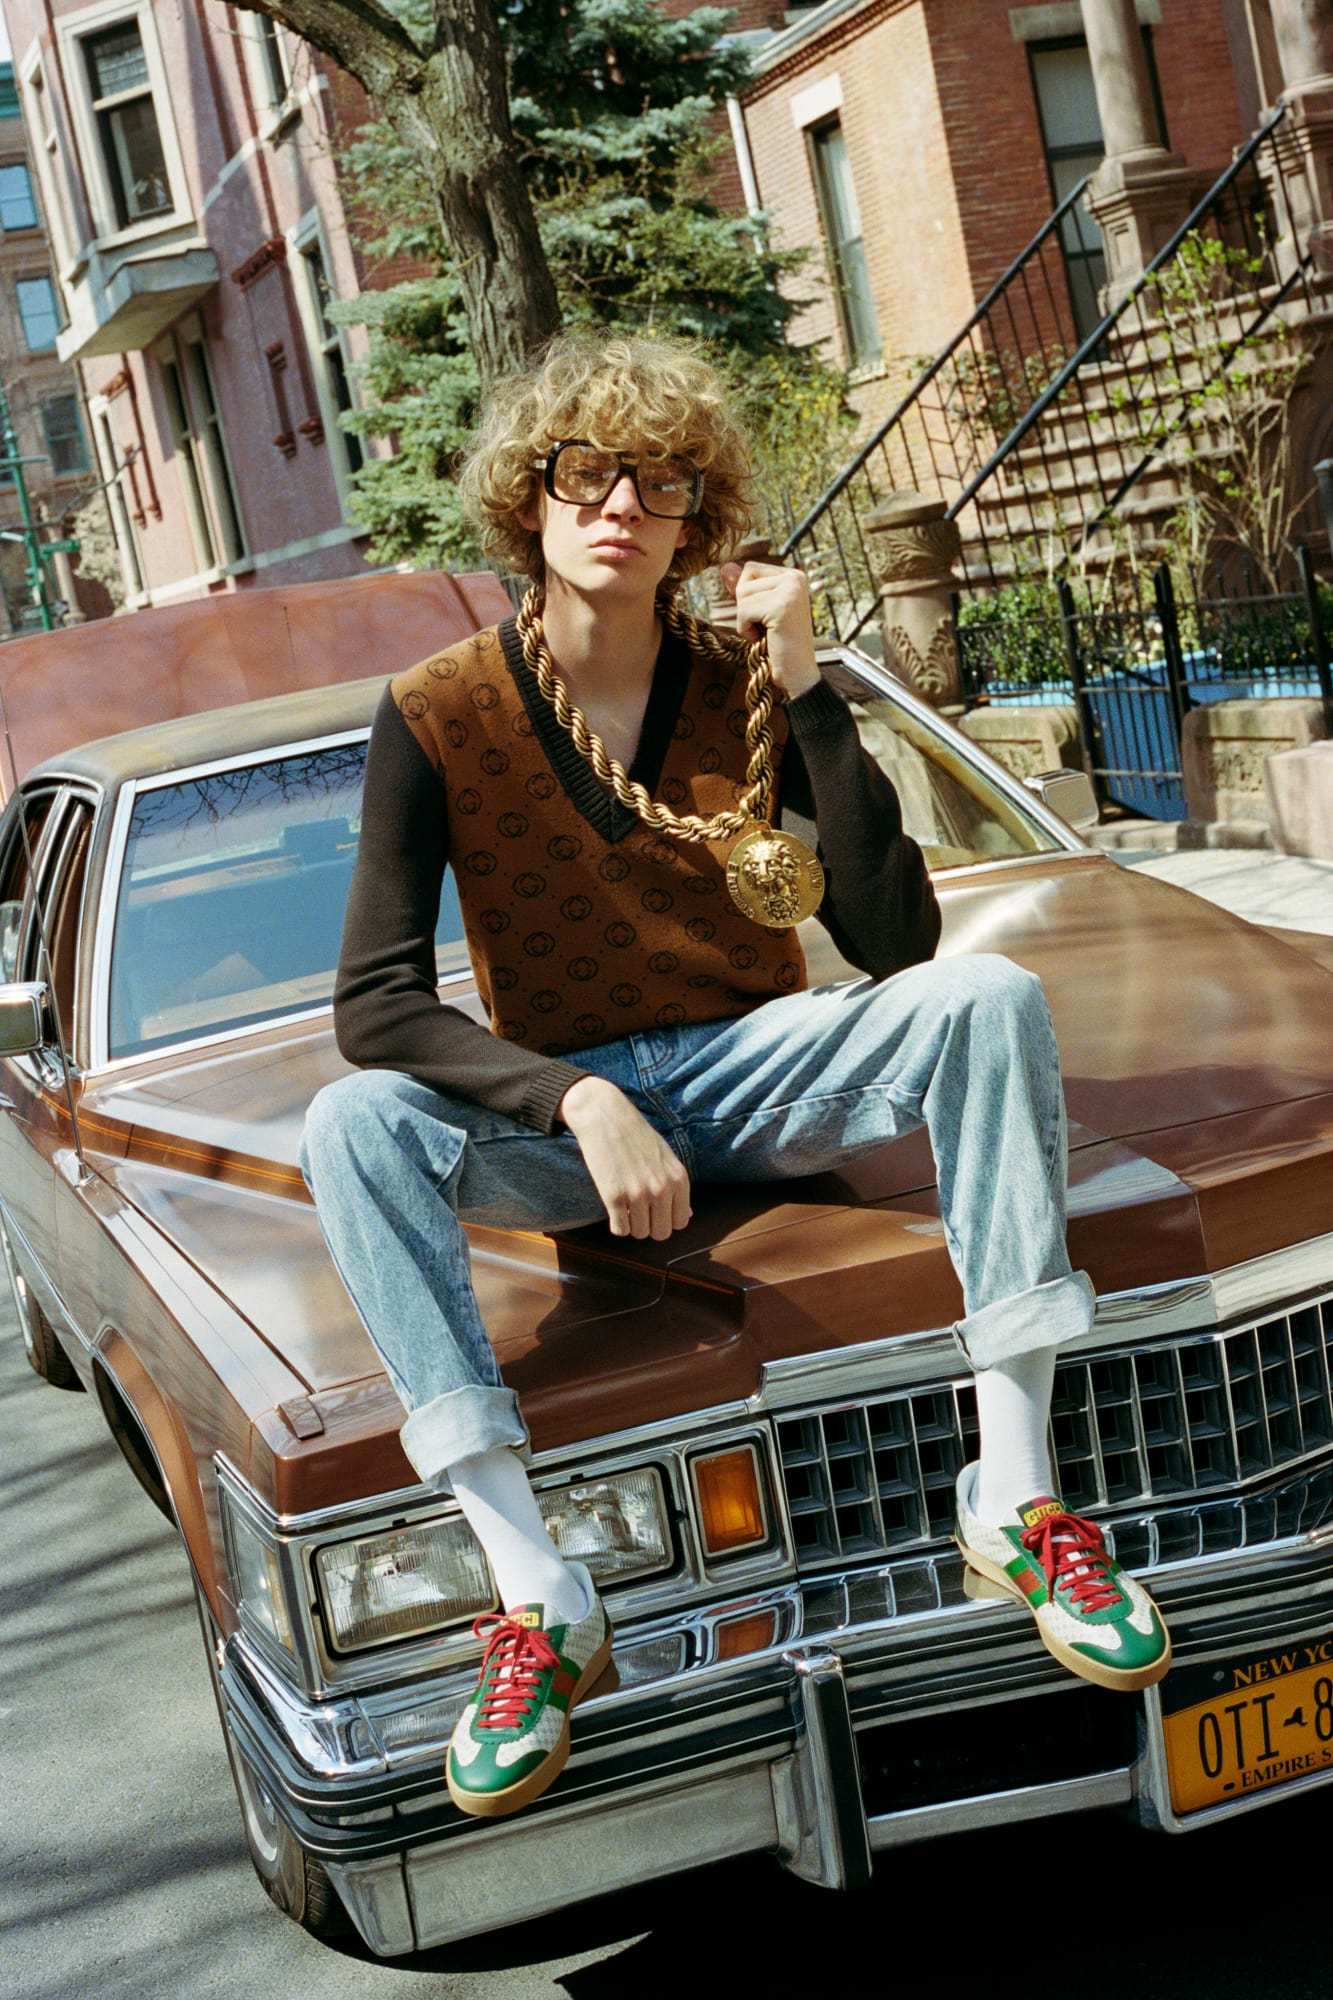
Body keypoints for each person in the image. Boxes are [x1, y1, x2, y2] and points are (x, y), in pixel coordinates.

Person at [298, 326, 1170, 1823]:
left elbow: (891, 944)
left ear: (697, 520)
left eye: (663, 484)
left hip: (754, 1070)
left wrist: (810, 686)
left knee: (985, 996)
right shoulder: (440, 710)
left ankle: (1013, 1491)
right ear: (528, 495)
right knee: (352, 1122)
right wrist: (572, 1098)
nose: (621, 506)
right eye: (587, 473)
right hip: (573, 1123)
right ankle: (535, 1588)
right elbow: (374, 1003)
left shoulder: (743, 683)